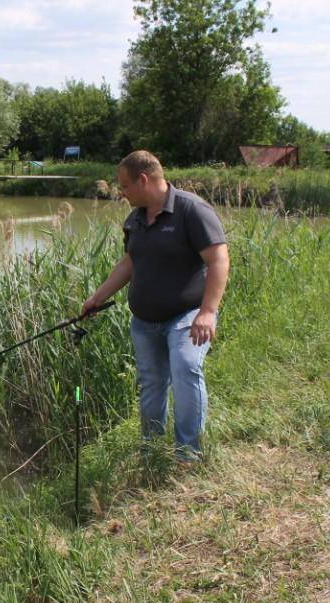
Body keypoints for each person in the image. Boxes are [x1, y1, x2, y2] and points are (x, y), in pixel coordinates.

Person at [81, 151, 229, 461]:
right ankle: (151, 450)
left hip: (187, 315)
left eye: (125, 185)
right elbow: (131, 261)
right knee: (151, 383)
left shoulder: (192, 210)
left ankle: (188, 453)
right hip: (144, 321)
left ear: (143, 180)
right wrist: (98, 297)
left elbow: (218, 260)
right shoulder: (135, 218)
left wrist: (208, 312)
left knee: (186, 367)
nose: (121, 192)